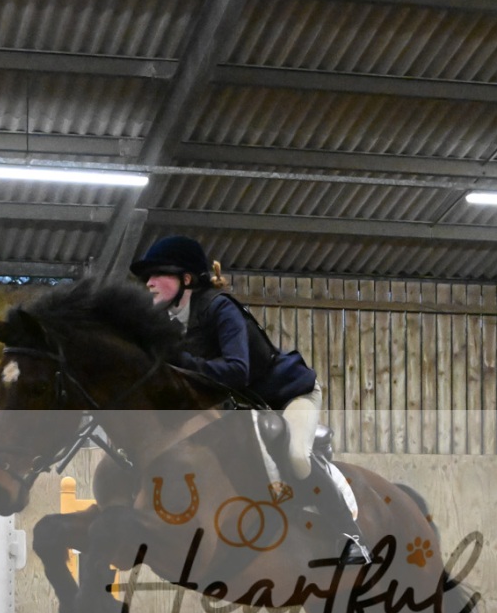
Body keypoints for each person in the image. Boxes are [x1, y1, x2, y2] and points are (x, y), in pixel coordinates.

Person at [130, 235, 367, 565]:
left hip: (287, 394)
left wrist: (181, 362)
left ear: (187, 279)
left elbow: (237, 370)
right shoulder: (168, 323)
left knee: (297, 456)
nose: (149, 283)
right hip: (245, 404)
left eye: (158, 274)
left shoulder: (220, 309)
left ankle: (351, 537)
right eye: (147, 277)